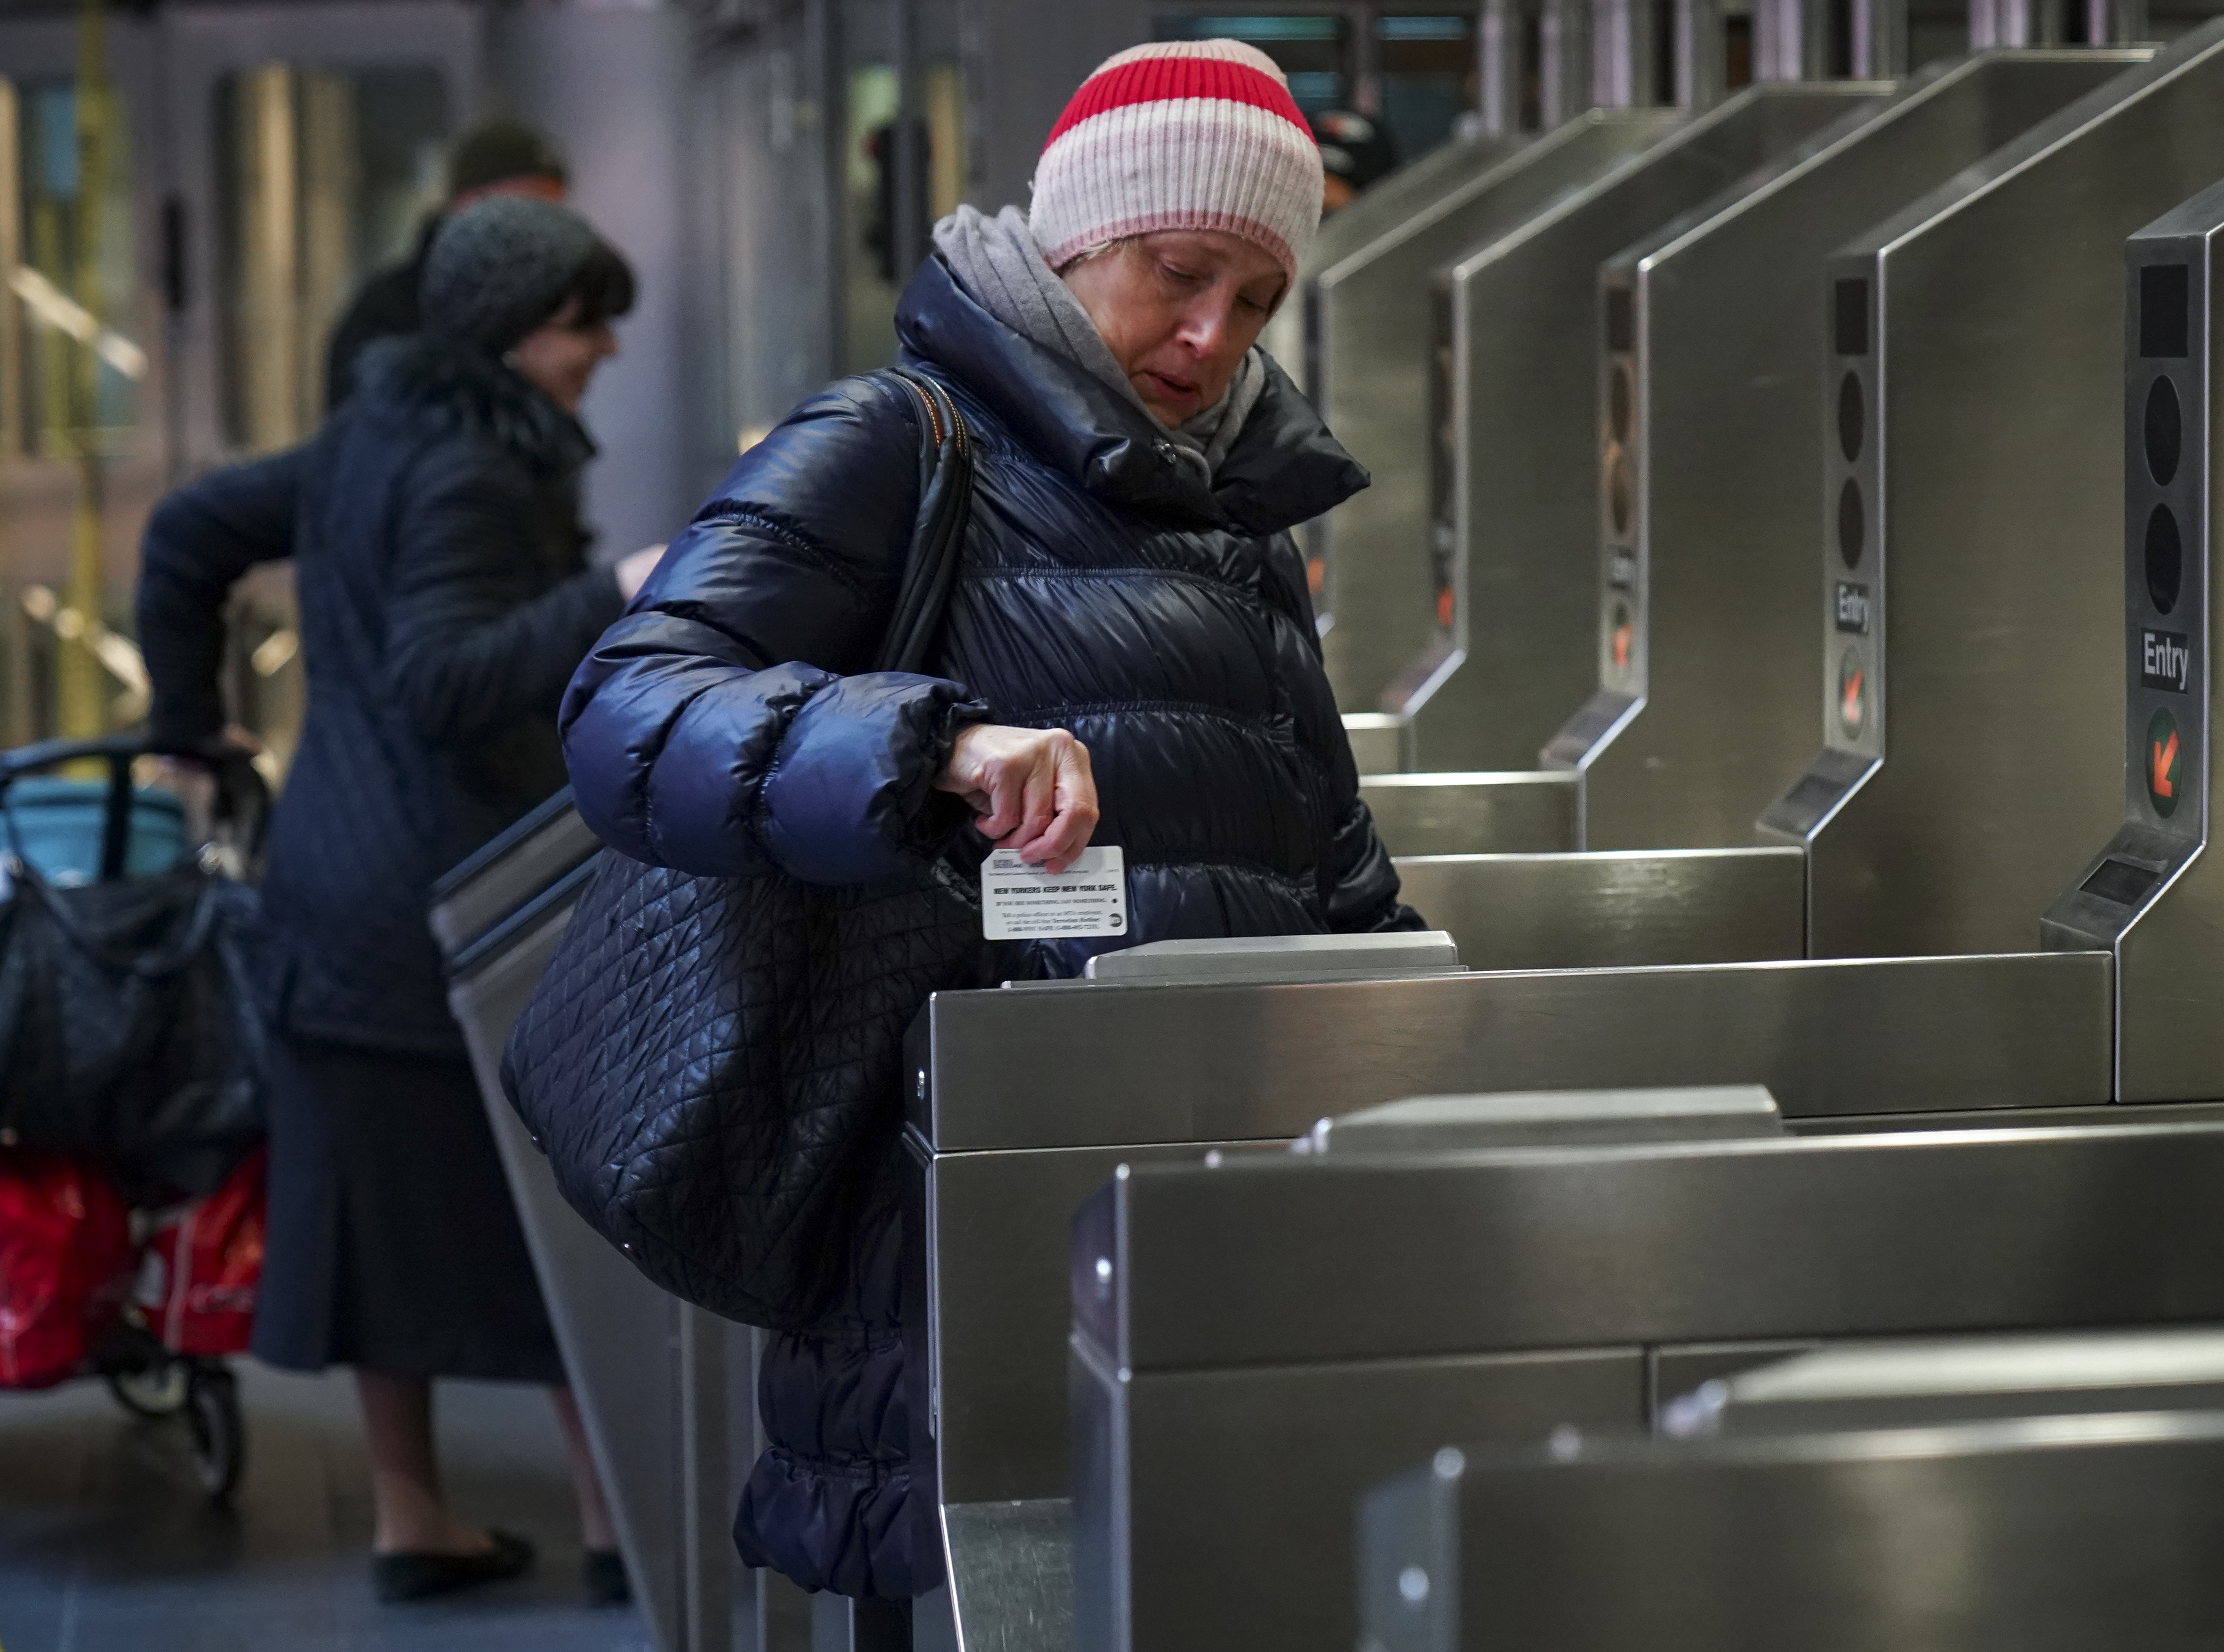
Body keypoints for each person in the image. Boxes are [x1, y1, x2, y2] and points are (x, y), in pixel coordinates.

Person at [557, 38, 1419, 1607]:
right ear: (1078, 234)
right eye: (1175, 272)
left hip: (1188, 1210)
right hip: (940, 1224)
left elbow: (1331, 874)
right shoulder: (898, 444)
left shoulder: (1237, 521)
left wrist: (1443, 1072)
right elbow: (625, 710)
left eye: (1257, 298)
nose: (1210, 334)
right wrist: (924, 743)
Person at [137, 196, 664, 1606]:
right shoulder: (476, 474)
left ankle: (410, 1516)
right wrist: (617, 584)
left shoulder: (365, 436)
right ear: (509, 334)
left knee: (383, 1225)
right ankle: (622, 1516)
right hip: (447, 899)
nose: (603, 350)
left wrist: (189, 722)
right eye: (582, 323)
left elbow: (190, 527)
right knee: (557, 1203)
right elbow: (448, 678)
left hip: (327, 893)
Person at [324, 117, 570, 410]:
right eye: (530, 208)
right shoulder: (390, 311)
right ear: (469, 204)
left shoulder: (542, 306)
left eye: (555, 212)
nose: (547, 229)